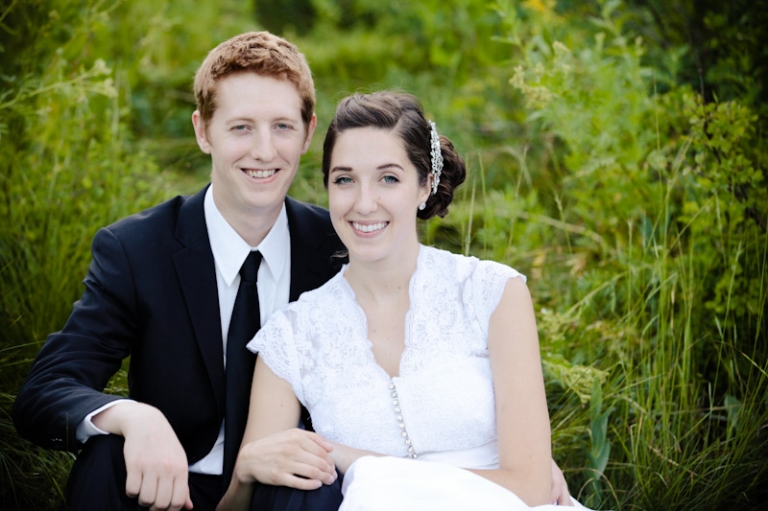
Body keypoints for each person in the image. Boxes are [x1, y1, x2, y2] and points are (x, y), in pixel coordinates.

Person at [13, 31, 345, 510]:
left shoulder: (336, 250)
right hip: (163, 489)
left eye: (282, 127)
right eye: (241, 127)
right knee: (107, 454)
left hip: (281, 494)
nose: (265, 151)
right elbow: (44, 389)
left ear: (309, 131)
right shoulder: (136, 249)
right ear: (202, 131)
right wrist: (132, 416)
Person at [218, 91, 590, 510]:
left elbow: (531, 488)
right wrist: (246, 469)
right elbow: (249, 499)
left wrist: (346, 457)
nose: (363, 202)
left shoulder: (492, 293)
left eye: (388, 178)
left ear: (425, 185)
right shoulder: (292, 336)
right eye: (344, 180)